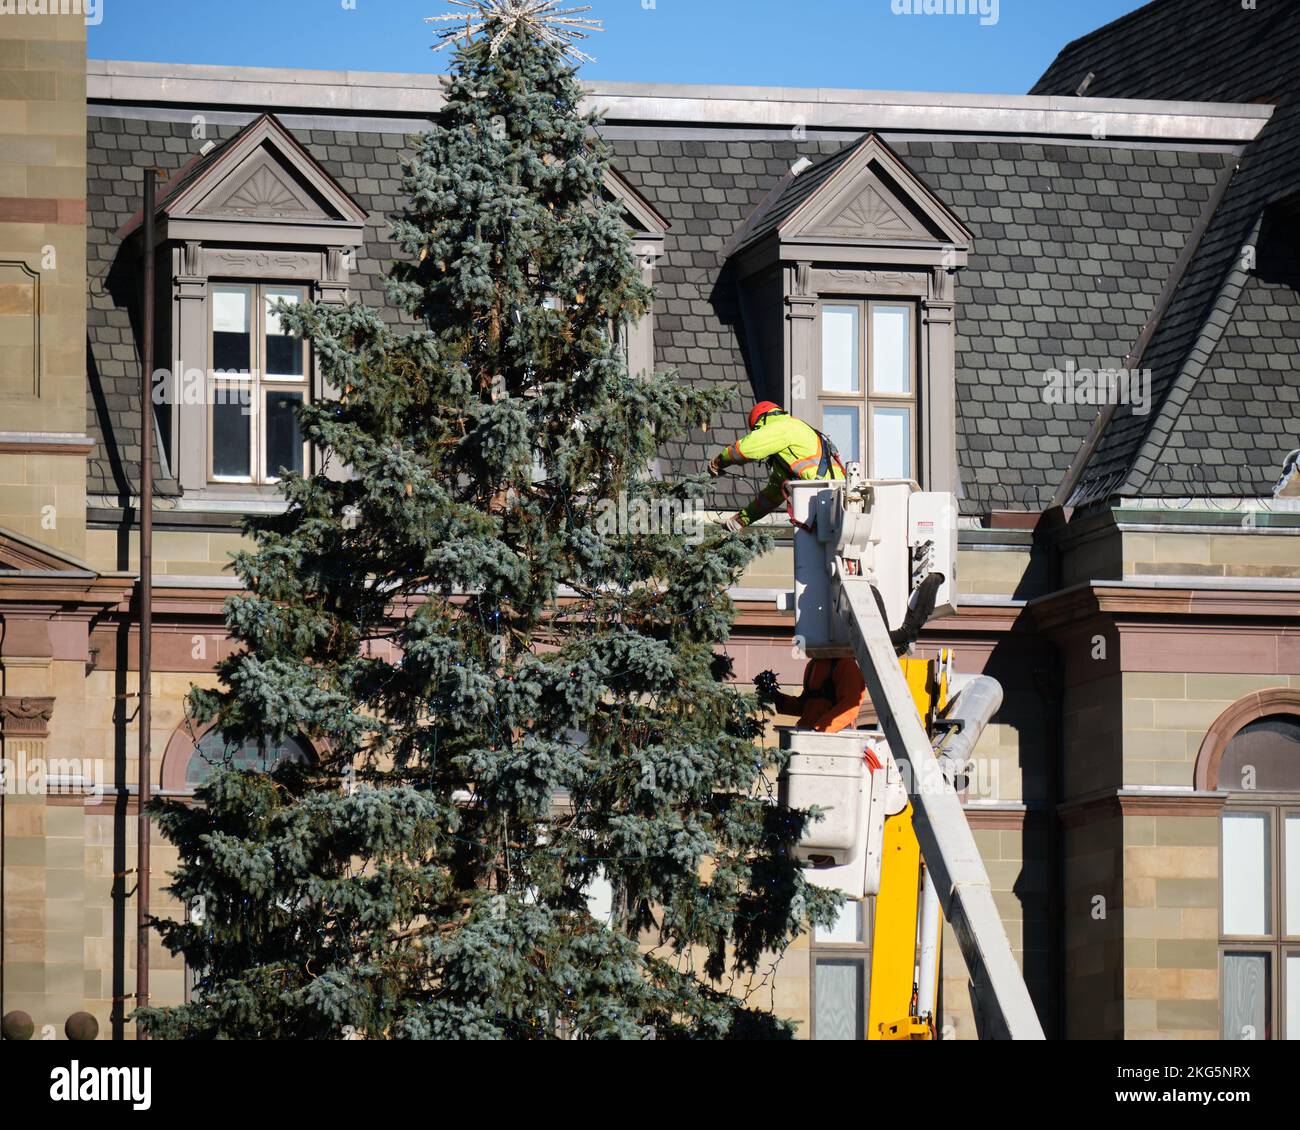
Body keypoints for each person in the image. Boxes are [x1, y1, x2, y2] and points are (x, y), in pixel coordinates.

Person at [708, 402, 845, 531]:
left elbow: (743, 450)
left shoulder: (782, 426)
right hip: (829, 499)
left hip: (828, 497)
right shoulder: (790, 450)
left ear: (762, 422)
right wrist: (737, 522)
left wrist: (717, 462)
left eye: (757, 431)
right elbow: (771, 497)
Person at [763, 657, 867, 734]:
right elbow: (806, 706)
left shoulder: (846, 664)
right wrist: (780, 699)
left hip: (833, 737)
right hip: (809, 733)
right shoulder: (813, 665)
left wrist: (820, 730)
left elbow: (849, 707)